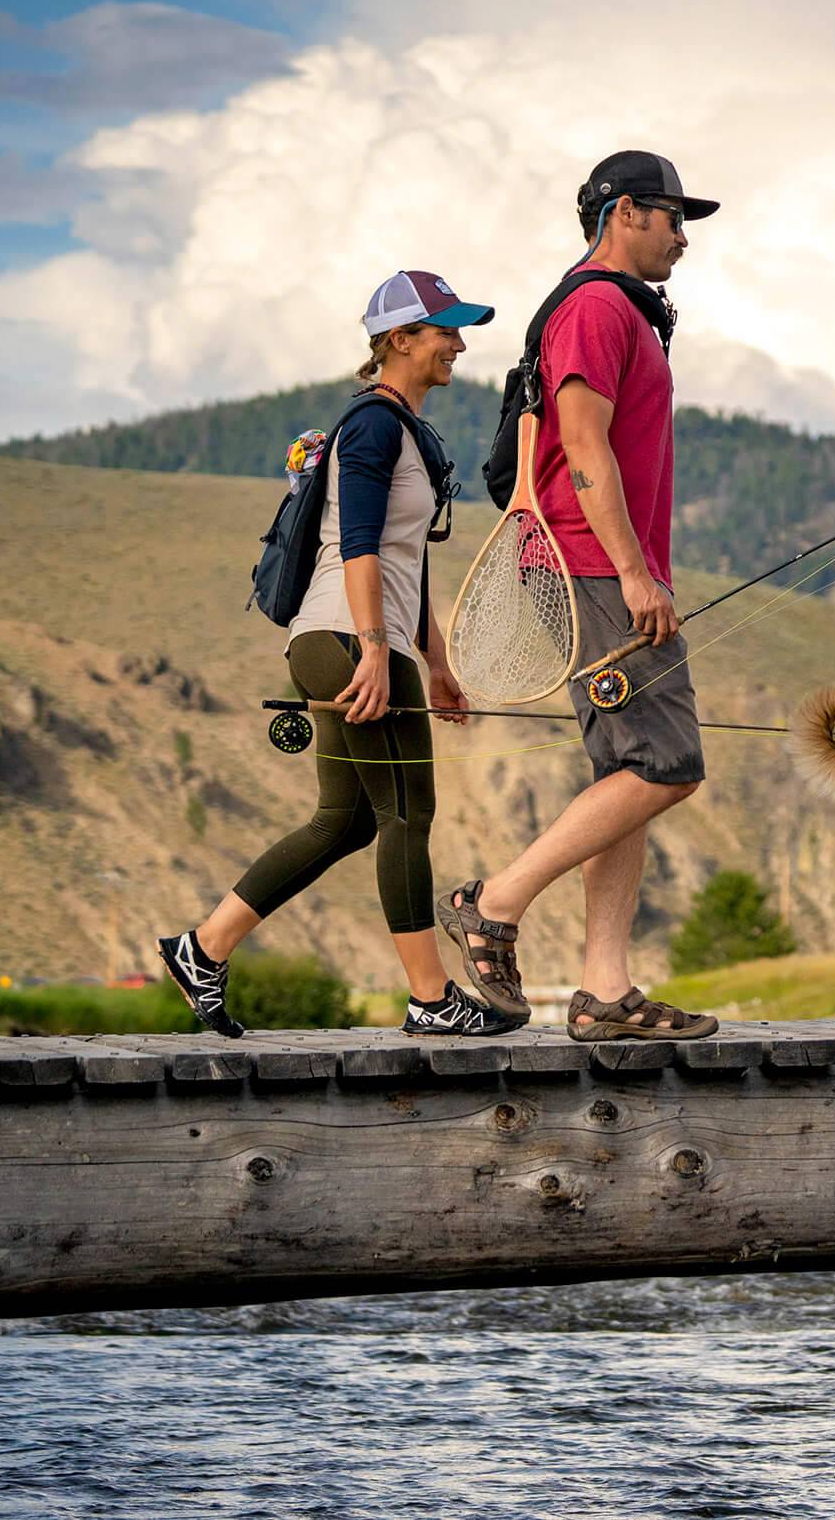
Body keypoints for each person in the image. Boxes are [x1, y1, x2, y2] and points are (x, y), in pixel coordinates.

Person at [157, 271, 523, 1040]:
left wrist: (439, 663)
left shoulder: (407, 431)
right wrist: (371, 651)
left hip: (363, 641)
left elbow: (406, 563)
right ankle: (431, 998)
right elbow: (356, 543)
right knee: (408, 814)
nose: (458, 344)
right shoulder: (372, 428)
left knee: (345, 819)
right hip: (349, 641)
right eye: (444, 331)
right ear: (399, 341)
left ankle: (204, 947)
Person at [436, 152, 721, 1041]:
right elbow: (583, 444)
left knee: (624, 770)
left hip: (593, 561)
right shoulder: (597, 306)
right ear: (626, 211)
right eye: (673, 217)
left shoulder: (610, 307)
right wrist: (634, 572)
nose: (682, 237)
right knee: (667, 764)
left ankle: (603, 990)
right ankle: (496, 900)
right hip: (595, 565)